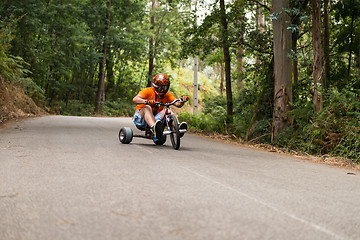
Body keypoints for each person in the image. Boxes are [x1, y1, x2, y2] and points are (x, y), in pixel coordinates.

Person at [132, 73, 189, 140]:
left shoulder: (167, 95)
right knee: (147, 107)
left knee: (167, 110)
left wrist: (182, 101)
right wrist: (147, 101)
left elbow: (177, 104)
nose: (163, 89)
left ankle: (178, 127)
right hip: (141, 118)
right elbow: (135, 99)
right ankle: (153, 128)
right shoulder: (148, 91)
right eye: (161, 87)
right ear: (156, 86)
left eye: (165, 87)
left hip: (155, 119)